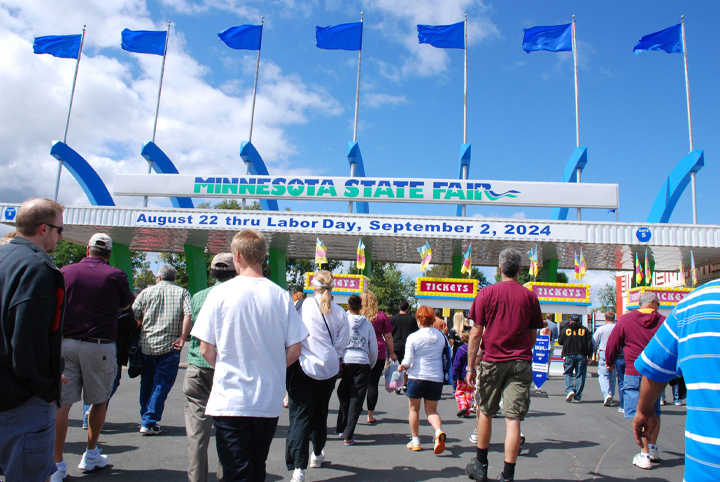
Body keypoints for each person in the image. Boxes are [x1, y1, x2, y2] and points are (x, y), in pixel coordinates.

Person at [192, 229, 307, 482]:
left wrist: (226, 365)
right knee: (257, 466)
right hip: (266, 400)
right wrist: (273, 366)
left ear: (238, 256)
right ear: (263, 256)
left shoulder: (219, 293)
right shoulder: (281, 295)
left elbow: (205, 349)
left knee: (235, 471)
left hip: (230, 398)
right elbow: (295, 349)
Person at [53, 233, 134, 480]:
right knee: (99, 400)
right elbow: (125, 306)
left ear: (87, 250)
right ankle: (90, 454)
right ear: (108, 253)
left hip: (66, 344)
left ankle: (56, 464)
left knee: (62, 405)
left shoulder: (66, 271)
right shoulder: (115, 275)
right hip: (99, 345)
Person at [0, 198, 66, 482]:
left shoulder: (4, 258)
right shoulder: (38, 268)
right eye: (59, 230)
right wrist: (47, 388)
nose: (60, 236)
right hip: (22, 401)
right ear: (43, 229)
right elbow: (28, 341)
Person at [464, 248, 544, 482]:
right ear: (520, 270)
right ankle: (507, 476)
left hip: (492, 360)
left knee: (486, 413)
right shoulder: (530, 297)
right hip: (520, 362)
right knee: (513, 419)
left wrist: (470, 367)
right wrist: (523, 352)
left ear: (499, 269)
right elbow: (533, 334)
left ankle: (481, 465)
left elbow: (476, 333)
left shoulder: (486, 294)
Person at [632, 278, 720, 481]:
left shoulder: (696, 302)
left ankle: (646, 452)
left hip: (707, 471)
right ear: (653, 303)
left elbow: (654, 368)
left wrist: (644, 410)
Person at [285, 271, 348, 482]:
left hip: (302, 366)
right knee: (320, 413)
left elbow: (290, 335)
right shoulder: (340, 312)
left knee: (300, 416)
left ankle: (298, 469)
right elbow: (341, 344)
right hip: (329, 369)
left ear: (313, 287)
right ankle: (317, 453)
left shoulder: (301, 306)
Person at [184, 253, 236, 482]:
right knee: (227, 432)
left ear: (212, 272)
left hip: (196, 367)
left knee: (197, 435)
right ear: (235, 272)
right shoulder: (238, 297)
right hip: (225, 368)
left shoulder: (198, 297)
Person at [605, 292, 665, 470]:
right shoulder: (663, 321)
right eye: (658, 303)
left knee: (641, 413)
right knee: (655, 410)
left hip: (634, 370)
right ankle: (652, 448)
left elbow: (613, 343)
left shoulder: (626, 320)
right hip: (655, 372)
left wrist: (610, 361)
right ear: (652, 303)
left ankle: (644, 454)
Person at [133, 264, 192, 435]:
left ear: (158, 277)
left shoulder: (146, 292)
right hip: (170, 346)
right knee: (161, 384)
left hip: (147, 345)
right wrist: (182, 337)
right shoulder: (182, 293)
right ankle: (149, 420)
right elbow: (188, 314)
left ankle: (145, 416)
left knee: (147, 382)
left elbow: (135, 313)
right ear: (174, 278)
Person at [398, 305, 447, 454]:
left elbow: (408, 360)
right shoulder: (441, 336)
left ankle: (415, 440)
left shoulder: (413, 337)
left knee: (414, 409)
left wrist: (402, 367)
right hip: (436, 377)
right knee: (432, 411)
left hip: (417, 376)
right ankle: (438, 431)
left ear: (419, 319)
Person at [337, 294, 378, 446]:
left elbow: (338, 341)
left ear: (348, 306)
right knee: (356, 398)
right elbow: (373, 347)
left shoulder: (343, 321)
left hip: (347, 360)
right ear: (361, 307)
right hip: (362, 362)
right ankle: (349, 434)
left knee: (343, 393)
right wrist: (370, 364)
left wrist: (339, 359)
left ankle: (342, 428)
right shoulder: (367, 324)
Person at [361, 290, 396, 424]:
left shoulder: (358, 314)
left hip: (361, 349)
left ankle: (356, 408)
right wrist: (391, 352)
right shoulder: (381, 316)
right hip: (378, 350)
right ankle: (370, 415)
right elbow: (388, 336)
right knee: (373, 383)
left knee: (359, 383)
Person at [558, 314, 594, 403]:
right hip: (581, 355)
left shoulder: (566, 329)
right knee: (580, 375)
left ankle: (570, 390)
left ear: (570, 320)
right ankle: (577, 396)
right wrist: (589, 355)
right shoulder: (585, 330)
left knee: (568, 373)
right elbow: (589, 344)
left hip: (569, 354)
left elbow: (560, 341)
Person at [390, 301, 417, 394]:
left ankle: (397, 386)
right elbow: (415, 333)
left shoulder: (393, 319)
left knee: (397, 366)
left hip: (396, 344)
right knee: (406, 365)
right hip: (408, 345)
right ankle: (405, 384)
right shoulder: (412, 319)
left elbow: (390, 333)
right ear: (408, 308)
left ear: (398, 307)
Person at [592, 311, 617, 407]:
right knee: (612, 375)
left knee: (603, 374)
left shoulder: (601, 329)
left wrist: (592, 353)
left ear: (605, 318)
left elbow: (595, 342)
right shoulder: (617, 328)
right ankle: (612, 394)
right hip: (615, 353)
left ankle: (607, 394)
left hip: (603, 352)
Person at [452, 331, 473, 417]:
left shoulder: (461, 349)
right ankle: (467, 411)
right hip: (472, 375)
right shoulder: (475, 349)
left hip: (462, 375)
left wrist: (454, 375)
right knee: (469, 393)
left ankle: (463, 406)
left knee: (459, 392)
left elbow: (456, 364)